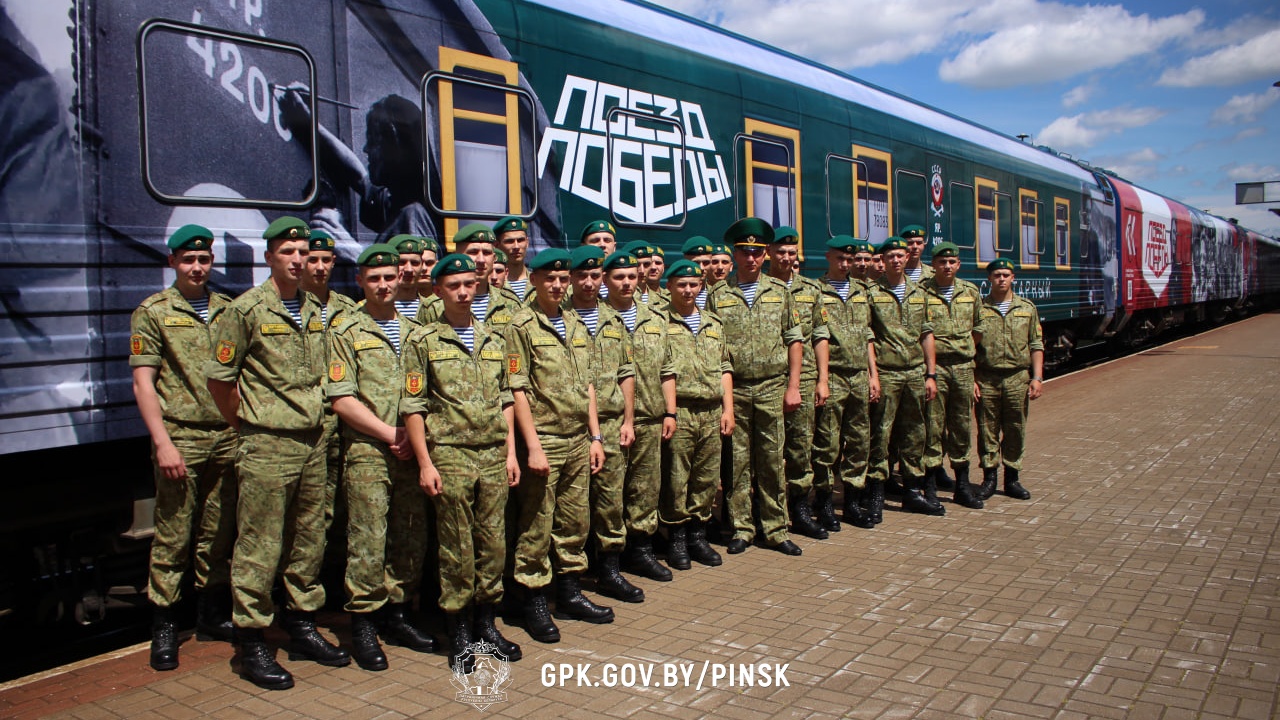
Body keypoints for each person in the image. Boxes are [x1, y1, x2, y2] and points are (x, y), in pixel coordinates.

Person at [206, 217, 349, 690]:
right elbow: (220, 381)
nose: (297, 259)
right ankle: (252, 642)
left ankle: (302, 625)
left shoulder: (313, 308)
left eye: (303, 252)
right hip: (267, 442)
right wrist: (249, 424)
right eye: (287, 251)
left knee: (309, 537)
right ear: (269, 257)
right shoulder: (245, 310)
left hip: (313, 441)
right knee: (260, 544)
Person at [402, 253, 523, 669]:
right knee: (456, 547)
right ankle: (459, 632)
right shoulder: (423, 341)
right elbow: (413, 405)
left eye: (469, 284)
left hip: (492, 455)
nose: (463, 292)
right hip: (449, 456)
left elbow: (507, 397)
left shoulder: (494, 338)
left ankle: (487, 625)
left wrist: (510, 452)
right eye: (454, 285)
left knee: (493, 544)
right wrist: (425, 462)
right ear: (437, 291)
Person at [130, 224, 238, 671]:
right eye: (189, 259)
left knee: (217, 534)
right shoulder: (153, 312)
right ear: (172, 262)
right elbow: (143, 382)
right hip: (182, 438)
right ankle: (165, 626)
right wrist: (162, 443)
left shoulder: (227, 309)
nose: (197, 267)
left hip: (225, 437)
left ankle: (210, 615)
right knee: (173, 535)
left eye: (204, 259)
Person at [325, 244, 433, 671]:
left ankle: (398, 614)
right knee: (368, 539)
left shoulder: (413, 332)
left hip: (412, 450)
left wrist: (415, 439)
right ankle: (365, 625)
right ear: (360, 281)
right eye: (375, 278)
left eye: (390, 277)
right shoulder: (344, 331)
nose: (384, 285)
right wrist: (391, 432)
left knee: (410, 535)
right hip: (369, 450)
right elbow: (341, 398)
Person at [504, 249, 610, 644]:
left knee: (574, 521)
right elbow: (516, 389)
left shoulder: (575, 324)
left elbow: (589, 386)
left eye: (562, 279)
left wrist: (595, 436)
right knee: (536, 523)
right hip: (545, 439)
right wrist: (531, 446)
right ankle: (532, 601)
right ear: (533, 280)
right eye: (549, 278)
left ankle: (569, 593)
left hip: (578, 438)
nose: (557, 285)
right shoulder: (520, 326)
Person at [707, 218, 804, 557]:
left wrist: (794, 386)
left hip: (771, 387)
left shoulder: (779, 292)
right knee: (735, 462)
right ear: (734, 254)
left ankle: (776, 528)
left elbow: (794, 340)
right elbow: (713, 349)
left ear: (765, 255)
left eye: (757, 252)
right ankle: (741, 527)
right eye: (744, 252)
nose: (750, 258)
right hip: (735, 390)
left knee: (772, 460)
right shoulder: (717, 295)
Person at [565, 246, 642, 603]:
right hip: (572, 428)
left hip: (612, 424)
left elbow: (627, 372)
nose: (590, 282)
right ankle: (570, 581)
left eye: (596, 275)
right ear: (571, 278)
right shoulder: (560, 317)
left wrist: (628, 418)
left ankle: (609, 572)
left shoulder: (613, 318)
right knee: (573, 508)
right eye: (583, 275)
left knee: (610, 501)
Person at [603, 251, 674, 581]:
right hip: (612, 420)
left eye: (631, 276)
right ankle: (608, 561)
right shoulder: (597, 318)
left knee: (645, 489)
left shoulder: (655, 317)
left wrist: (670, 412)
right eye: (619, 277)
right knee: (611, 494)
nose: (627, 282)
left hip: (651, 417)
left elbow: (667, 370)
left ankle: (641, 552)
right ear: (606, 280)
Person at [659, 260, 734, 570]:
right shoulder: (660, 322)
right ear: (669, 287)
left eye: (693, 284)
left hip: (712, 410)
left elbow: (725, 368)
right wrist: (670, 412)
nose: (688, 290)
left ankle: (697, 536)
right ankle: (676, 538)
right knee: (677, 479)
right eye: (681, 284)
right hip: (683, 411)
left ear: (701, 287)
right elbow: (662, 370)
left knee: (705, 478)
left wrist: (728, 408)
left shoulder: (713, 323)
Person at [865, 236, 940, 521]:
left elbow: (927, 334)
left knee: (914, 433)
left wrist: (930, 374)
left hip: (915, 374)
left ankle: (912, 491)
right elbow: (868, 336)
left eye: (900, 255)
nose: (896, 260)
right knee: (880, 435)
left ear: (907, 258)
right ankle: (876, 495)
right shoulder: (872, 293)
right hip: (887, 373)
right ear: (882, 261)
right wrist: (874, 374)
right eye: (890, 257)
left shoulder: (920, 294)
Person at [811, 237, 881, 530]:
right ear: (828, 257)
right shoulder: (817, 290)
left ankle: (852, 501)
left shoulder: (861, 291)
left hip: (858, 376)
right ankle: (825, 502)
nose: (845, 264)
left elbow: (867, 335)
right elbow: (819, 335)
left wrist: (873, 374)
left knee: (859, 440)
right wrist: (822, 379)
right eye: (840, 258)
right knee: (827, 442)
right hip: (836, 374)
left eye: (850, 260)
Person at [766, 227, 831, 538]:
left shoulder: (811, 290)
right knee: (766, 452)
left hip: (802, 378)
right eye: (781, 252)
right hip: (766, 381)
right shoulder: (757, 287)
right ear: (769, 253)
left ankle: (801, 509)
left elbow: (819, 336)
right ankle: (766, 512)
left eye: (792, 253)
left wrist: (822, 379)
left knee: (800, 448)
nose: (787, 257)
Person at [299, 229, 359, 533]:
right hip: (308, 420)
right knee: (309, 507)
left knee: (343, 500)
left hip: (344, 421)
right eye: (313, 259)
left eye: (326, 260)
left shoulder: (349, 309)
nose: (320, 267)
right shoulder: (291, 308)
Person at [921, 242, 985, 509]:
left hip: (962, 368)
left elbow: (979, 328)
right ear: (933, 265)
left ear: (958, 265)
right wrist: (931, 370)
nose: (947, 266)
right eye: (941, 262)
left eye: (952, 262)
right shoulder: (922, 292)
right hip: (935, 369)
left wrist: (963, 350)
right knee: (932, 426)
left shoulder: (970, 292)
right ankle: (931, 486)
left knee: (960, 426)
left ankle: (962, 486)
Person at [974, 258, 1044, 501]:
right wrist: (973, 378)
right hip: (987, 377)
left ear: (1013, 278)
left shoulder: (1027, 308)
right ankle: (989, 478)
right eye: (996, 275)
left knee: (1015, 429)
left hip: (1017, 378)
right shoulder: (980, 309)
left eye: (1005, 274)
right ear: (989, 279)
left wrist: (1037, 377)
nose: (1001, 279)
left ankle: (1012, 478)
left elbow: (1036, 344)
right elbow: (971, 347)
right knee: (987, 430)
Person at [418, 224, 523, 332]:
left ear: (494, 258)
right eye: (473, 252)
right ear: (457, 255)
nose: (481, 260)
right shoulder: (433, 306)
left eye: (486, 253)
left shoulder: (511, 303)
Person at [388, 235, 427, 320]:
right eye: (401, 262)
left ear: (422, 265)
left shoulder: (436, 309)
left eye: (414, 263)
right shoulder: (372, 309)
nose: (409, 269)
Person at [494, 216, 532, 300]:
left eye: (520, 240)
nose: (516, 246)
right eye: (509, 241)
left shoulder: (538, 282)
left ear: (527, 243)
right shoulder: (492, 284)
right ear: (496, 245)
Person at [580, 220, 617, 298]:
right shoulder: (574, 286)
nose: (602, 245)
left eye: (607, 240)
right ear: (583, 247)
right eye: (595, 241)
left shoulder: (628, 283)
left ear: (614, 247)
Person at [680, 236, 714, 308]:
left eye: (706, 263)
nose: (701, 268)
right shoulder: (672, 296)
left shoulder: (718, 294)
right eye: (696, 263)